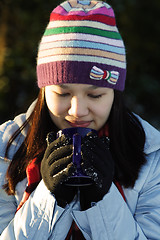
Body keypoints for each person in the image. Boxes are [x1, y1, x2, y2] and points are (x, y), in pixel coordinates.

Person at [0, 0, 160, 239]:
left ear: (114, 95)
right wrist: (48, 197)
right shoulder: (6, 149)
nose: (77, 110)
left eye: (95, 95)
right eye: (62, 93)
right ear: (43, 90)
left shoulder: (151, 154)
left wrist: (102, 200)